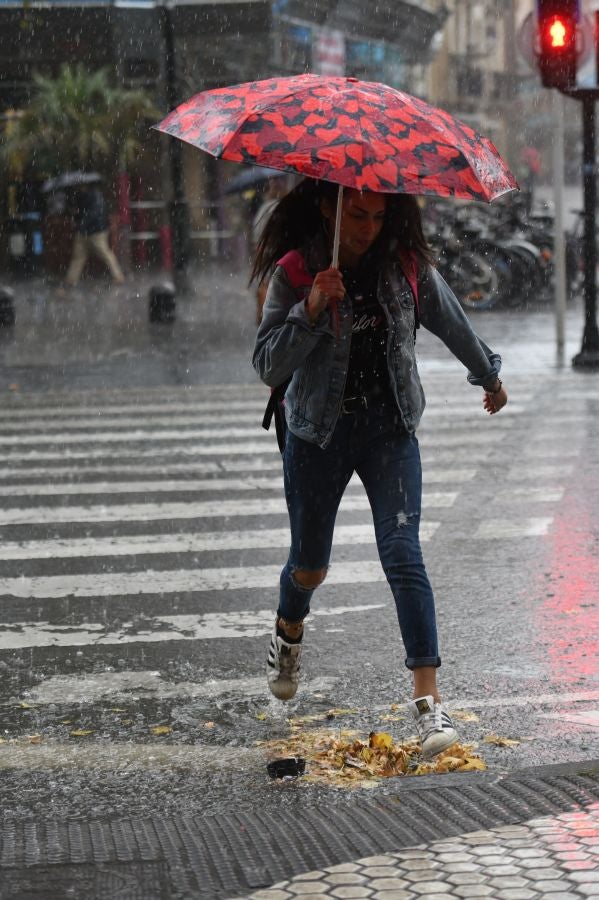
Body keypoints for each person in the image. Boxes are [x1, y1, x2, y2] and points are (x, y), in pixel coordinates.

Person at [251, 178, 508, 759]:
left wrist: (488, 375)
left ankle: (428, 703)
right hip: (317, 434)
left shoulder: (406, 265)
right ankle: (289, 630)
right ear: (327, 208)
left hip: (389, 429)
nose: (367, 228)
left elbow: (451, 320)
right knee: (310, 566)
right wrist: (311, 307)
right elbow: (269, 366)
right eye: (356, 215)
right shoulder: (295, 271)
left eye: (376, 216)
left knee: (403, 552)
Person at [63, 182, 125, 288]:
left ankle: (118, 276)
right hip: (84, 231)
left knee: (104, 253)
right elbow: (81, 212)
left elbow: (94, 214)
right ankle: (71, 280)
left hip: (96, 231)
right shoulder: (80, 196)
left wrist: (81, 223)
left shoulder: (95, 196)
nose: (79, 187)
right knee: (78, 256)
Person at [251, 176, 289, 324]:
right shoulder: (286, 207)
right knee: (278, 285)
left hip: (265, 253)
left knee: (265, 284)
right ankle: (274, 316)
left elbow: (256, 234)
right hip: (281, 253)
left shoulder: (264, 208)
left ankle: (263, 316)